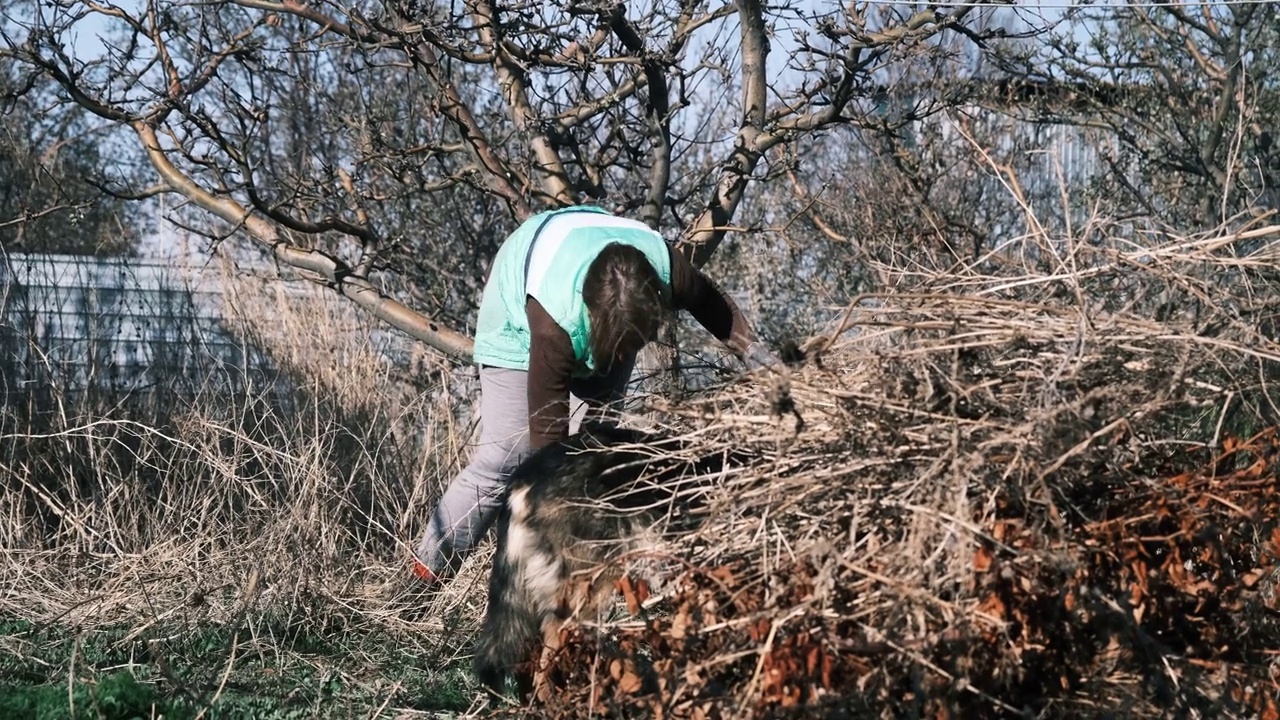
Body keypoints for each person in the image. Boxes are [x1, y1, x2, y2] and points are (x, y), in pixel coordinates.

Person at [398, 204, 782, 598]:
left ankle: (593, 599)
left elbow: (715, 307)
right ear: (593, 321)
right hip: (520, 301)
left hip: (602, 297)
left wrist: (764, 363)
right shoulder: (553, 325)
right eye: (616, 348)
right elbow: (548, 450)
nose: (621, 361)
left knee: (593, 454)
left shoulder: (668, 273)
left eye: (633, 345)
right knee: (504, 461)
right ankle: (420, 585)